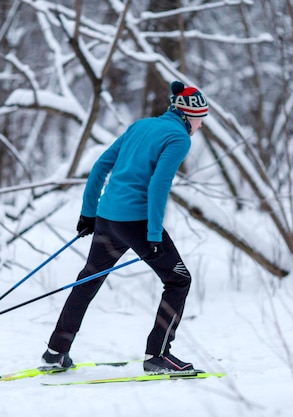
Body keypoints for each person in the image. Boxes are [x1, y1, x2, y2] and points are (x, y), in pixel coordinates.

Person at [41, 80, 209, 374]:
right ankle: (158, 356)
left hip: (108, 219)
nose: (200, 126)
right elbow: (159, 185)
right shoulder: (180, 138)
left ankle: (56, 351)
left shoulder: (140, 126)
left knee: (88, 280)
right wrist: (154, 234)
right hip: (137, 222)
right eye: (200, 119)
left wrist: (88, 213)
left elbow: (100, 166)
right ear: (187, 115)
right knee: (178, 280)